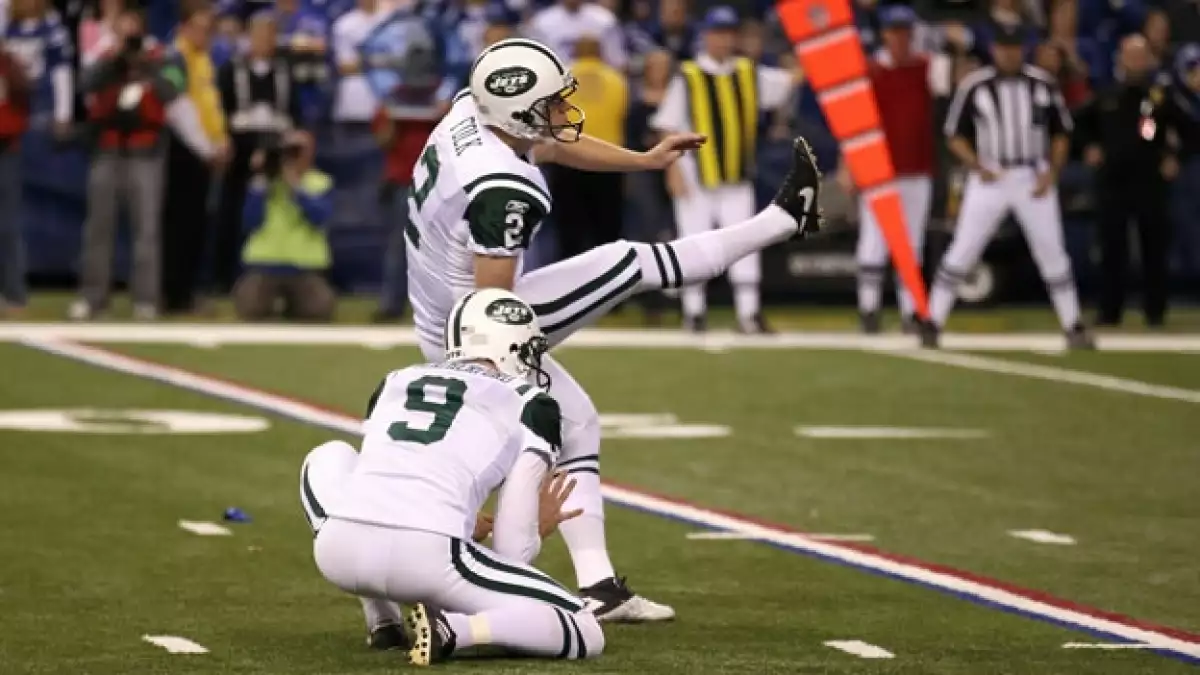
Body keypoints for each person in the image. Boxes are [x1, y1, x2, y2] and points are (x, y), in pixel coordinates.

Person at [404, 37, 823, 624]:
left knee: (579, 425)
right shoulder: (500, 186)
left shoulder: (472, 113)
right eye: (548, 104)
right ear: (517, 110)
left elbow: (547, 146)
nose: (559, 113)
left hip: (443, 307)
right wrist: (496, 378)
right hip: (472, 323)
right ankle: (780, 221)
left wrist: (645, 160)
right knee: (628, 263)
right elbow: (493, 302)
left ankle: (599, 587)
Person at [301, 289, 604, 664]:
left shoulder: (395, 380)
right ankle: (455, 631)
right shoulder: (532, 403)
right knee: (584, 627)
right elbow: (512, 550)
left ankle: (381, 619)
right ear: (510, 346)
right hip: (427, 558)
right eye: (528, 350)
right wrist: (536, 529)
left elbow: (386, 475)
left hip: (338, 550)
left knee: (327, 455)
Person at [920, 25, 1092, 349]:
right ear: (994, 49)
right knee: (963, 249)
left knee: (1052, 251)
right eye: (1002, 47)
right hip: (991, 175)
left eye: (1014, 47)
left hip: (1031, 175)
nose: (1008, 53)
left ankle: (1073, 325)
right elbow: (954, 134)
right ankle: (932, 321)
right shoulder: (975, 85)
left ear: (1023, 49)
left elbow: (1060, 133)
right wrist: (975, 164)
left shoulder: (1042, 84)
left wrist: (1051, 173)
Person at [652, 6, 800, 334]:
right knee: (693, 242)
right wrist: (672, 171)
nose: (723, 40)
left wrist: (802, 51)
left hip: (736, 175)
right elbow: (667, 125)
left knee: (744, 243)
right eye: (718, 33)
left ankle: (748, 313)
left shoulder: (749, 72)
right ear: (706, 36)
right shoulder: (689, 76)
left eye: (729, 34)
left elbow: (790, 82)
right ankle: (694, 312)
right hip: (696, 174)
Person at [70, 8, 219, 321]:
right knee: (99, 228)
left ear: (142, 28)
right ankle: (92, 297)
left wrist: (148, 67)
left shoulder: (164, 57)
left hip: (146, 151)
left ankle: (146, 299)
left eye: (133, 30)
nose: (130, 36)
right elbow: (86, 83)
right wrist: (116, 60)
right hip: (108, 149)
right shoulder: (105, 54)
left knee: (146, 230)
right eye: (124, 30)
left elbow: (175, 92)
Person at [845, 5, 949, 334]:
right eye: (895, 32)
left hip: (916, 168)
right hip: (879, 169)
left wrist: (957, 43)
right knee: (874, 241)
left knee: (912, 243)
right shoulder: (872, 71)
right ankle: (869, 310)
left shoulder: (926, 67)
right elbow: (854, 120)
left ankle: (911, 312)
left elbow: (950, 80)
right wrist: (849, 163)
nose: (901, 38)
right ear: (885, 34)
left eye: (906, 32)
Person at [1074, 35, 1182, 328]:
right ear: (1120, 59)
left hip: (1150, 181)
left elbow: (1185, 129)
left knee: (1154, 248)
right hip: (1113, 181)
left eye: (1140, 55)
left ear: (1149, 59)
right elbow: (1078, 124)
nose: (1135, 61)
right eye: (1130, 55)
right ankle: (1110, 312)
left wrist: (1174, 156)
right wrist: (1089, 147)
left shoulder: (1160, 96)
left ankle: (1155, 312)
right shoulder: (1106, 94)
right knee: (1112, 249)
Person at [216, 12, 301, 294]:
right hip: (239, 151)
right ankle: (225, 279)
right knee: (231, 213)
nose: (264, 41)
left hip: (277, 150)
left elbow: (294, 112)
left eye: (269, 35)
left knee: (272, 213)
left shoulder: (285, 71)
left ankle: (265, 278)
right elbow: (221, 109)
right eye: (259, 35)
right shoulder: (231, 69)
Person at [161, 0, 230, 316]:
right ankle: (175, 295)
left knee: (196, 226)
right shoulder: (176, 57)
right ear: (184, 27)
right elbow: (179, 108)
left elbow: (209, 106)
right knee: (181, 225)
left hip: (203, 151)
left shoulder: (202, 59)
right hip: (183, 152)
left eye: (208, 29)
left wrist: (220, 139)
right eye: (200, 28)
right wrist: (207, 148)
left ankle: (187, 292)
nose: (205, 34)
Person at [233, 129, 336, 321]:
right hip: (264, 265)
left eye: (297, 150)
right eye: (287, 150)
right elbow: (249, 221)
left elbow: (319, 218)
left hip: (305, 267)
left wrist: (296, 187)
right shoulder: (262, 183)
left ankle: (287, 305)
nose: (291, 156)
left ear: (310, 152)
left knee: (318, 310)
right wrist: (262, 180)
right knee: (250, 309)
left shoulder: (320, 182)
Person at [549, 35, 628, 264]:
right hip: (608, 160)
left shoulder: (561, 81)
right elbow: (622, 115)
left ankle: (570, 288)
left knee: (570, 231)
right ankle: (612, 285)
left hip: (568, 159)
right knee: (607, 231)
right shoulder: (616, 80)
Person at [0, 39, 31, 320]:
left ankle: (14, 293)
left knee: (8, 227)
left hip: (5, 148)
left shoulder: (10, 64)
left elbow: (24, 98)